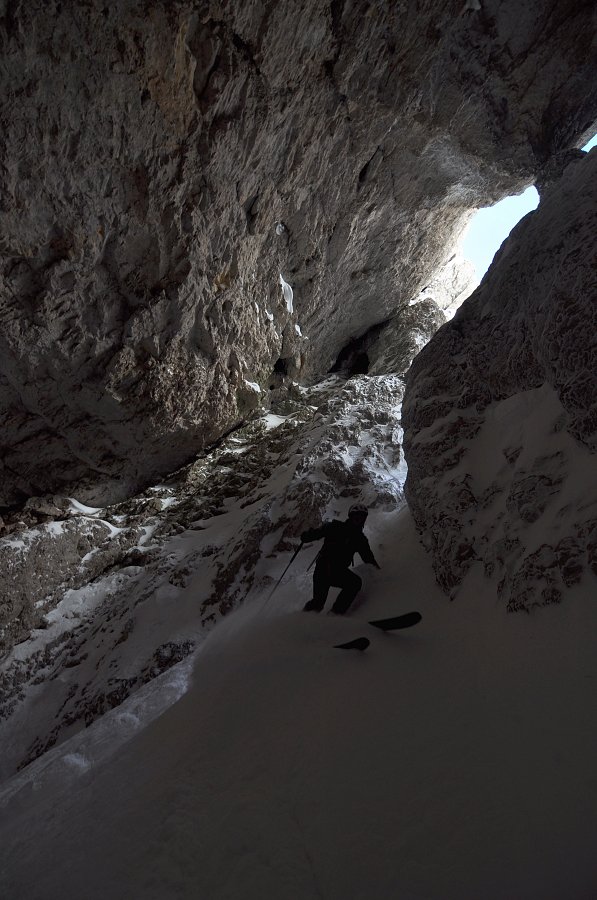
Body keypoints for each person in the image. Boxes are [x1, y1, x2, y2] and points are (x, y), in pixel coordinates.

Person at [301, 503, 381, 614]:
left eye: (362, 517)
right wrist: (307, 536)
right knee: (318, 603)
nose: (359, 520)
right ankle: (326, 616)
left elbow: (368, 558)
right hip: (324, 570)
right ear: (351, 517)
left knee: (354, 583)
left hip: (332, 571)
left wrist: (379, 573)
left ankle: (333, 614)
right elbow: (316, 534)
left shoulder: (359, 539)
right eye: (356, 517)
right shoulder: (335, 527)